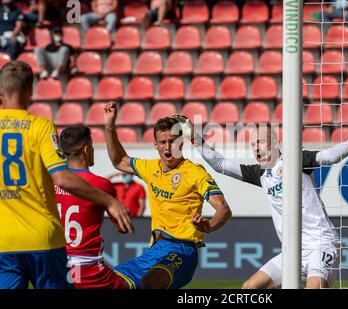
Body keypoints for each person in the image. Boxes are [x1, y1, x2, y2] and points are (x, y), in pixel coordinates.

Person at [175, 116, 348, 288]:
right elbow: (220, 164)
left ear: (276, 143)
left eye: (260, 142)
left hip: (321, 243)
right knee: (249, 289)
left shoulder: (295, 161)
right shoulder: (260, 174)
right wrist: (195, 138)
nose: (255, 149)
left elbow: (327, 157)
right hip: (292, 251)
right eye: (252, 145)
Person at [0, 61, 133, 289]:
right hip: (43, 239)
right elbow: (62, 178)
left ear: (1, 91)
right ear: (30, 91)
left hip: (4, 242)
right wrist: (109, 200)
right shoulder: (40, 126)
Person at [103, 101, 232, 289]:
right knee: (111, 282)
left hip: (182, 250)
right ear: (155, 145)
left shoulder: (194, 172)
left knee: (151, 283)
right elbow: (119, 161)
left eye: (173, 141)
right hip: (154, 250)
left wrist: (209, 226)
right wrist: (109, 127)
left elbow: (224, 209)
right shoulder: (150, 168)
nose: (168, 147)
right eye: (163, 142)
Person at [55, 126, 130, 289]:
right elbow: (122, 227)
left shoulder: (51, 182)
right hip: (88, 269)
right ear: (86, 149)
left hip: (55, 266)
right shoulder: (102, 185)